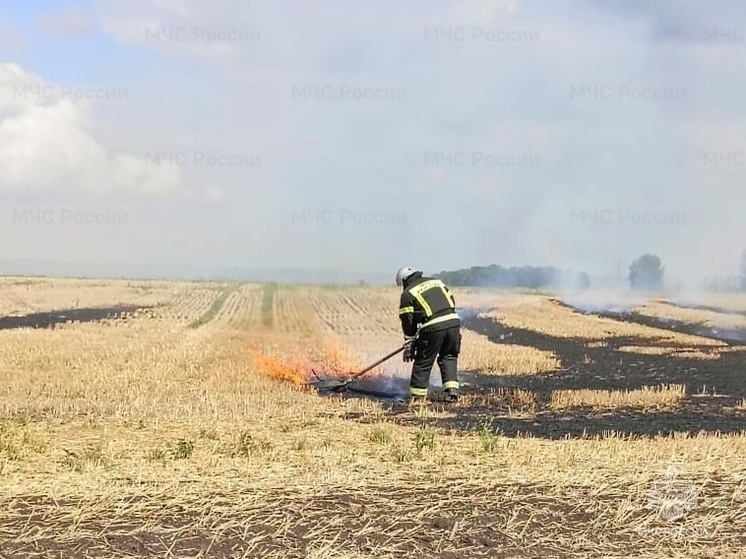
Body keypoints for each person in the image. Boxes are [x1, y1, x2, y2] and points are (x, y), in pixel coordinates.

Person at [395, 266, 462, 403]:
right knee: (449, 356)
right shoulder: (436, 282)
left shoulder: (408, 293)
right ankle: (452, 392)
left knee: (423, 361)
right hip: (454, 322)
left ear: (404, 280)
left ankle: (417, 397)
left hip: (433, 327)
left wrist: (410, 344)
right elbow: (450, 301)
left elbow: (408, 322)